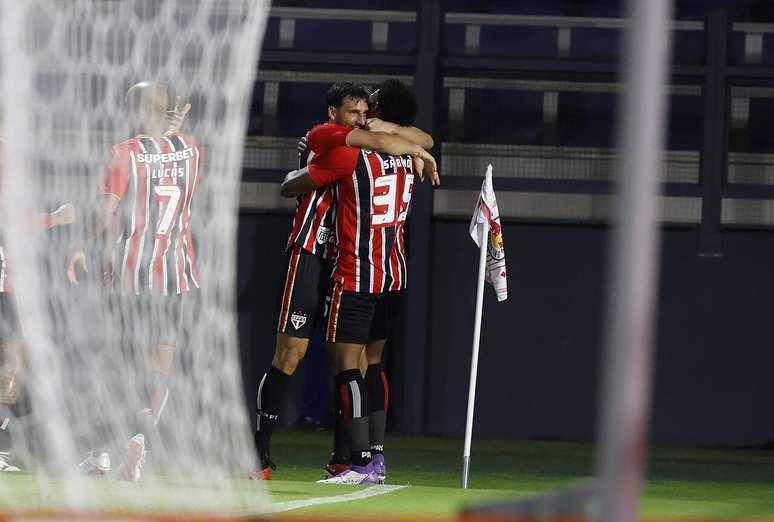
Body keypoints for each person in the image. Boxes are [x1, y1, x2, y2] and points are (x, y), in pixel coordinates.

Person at [251, 81, 434, 481]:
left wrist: (416, 148)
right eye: (355, 112)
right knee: (291, 355)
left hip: (348, 264)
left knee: (349, 365)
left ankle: (347, 456)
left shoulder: (367, 147)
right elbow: (289, 186)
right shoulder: (330, 140)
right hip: (311, 254)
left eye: (367, 111)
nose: (362, 118)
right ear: (335, 114)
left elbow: (419, 137)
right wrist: (303, 176)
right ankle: (259, 455)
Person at [66, 82, 198, 481]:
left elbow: (106, 210)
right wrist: (170, 128)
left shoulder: (123, 153)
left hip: (128, 275)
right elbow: (168, 146)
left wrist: (78, 244)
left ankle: (103, 453)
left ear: (129, 109)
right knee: (160, 367)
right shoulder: (190, 148)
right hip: (174, 275)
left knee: (115, 364)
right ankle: (140, 438)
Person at [0, 202, 76, 471]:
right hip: (8, 297)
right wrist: (55, 217)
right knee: (12, 367)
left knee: (13, 368)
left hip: (10, 297)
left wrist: (55, 218)